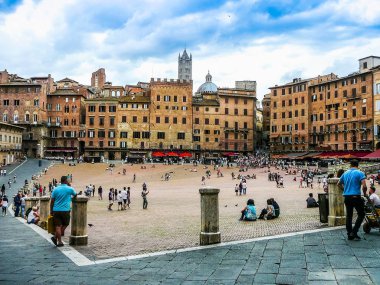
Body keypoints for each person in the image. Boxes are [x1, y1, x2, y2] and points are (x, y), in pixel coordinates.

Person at [337, 160, 367, 241]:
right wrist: (364, 193)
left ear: (350, 165)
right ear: (357, 165)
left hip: (347, 197)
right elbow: (364, 186)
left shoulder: (345, 173)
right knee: (361, 214)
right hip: (356, 196)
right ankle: (354, 232)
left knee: (349, 216)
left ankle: (349, 233)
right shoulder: (360, 173)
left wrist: (345, 190)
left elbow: (338, 184)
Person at [50, 176, 77, 247]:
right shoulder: (69, 189)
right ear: (66, 181)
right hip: (65, 210)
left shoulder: (55, 189)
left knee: (57, 226)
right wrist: (71, 199)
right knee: (66, 224)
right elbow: (75, 194)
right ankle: (55, 237)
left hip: (56, 210)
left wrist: (51, 210)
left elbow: (52, 201)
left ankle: (59, 241)